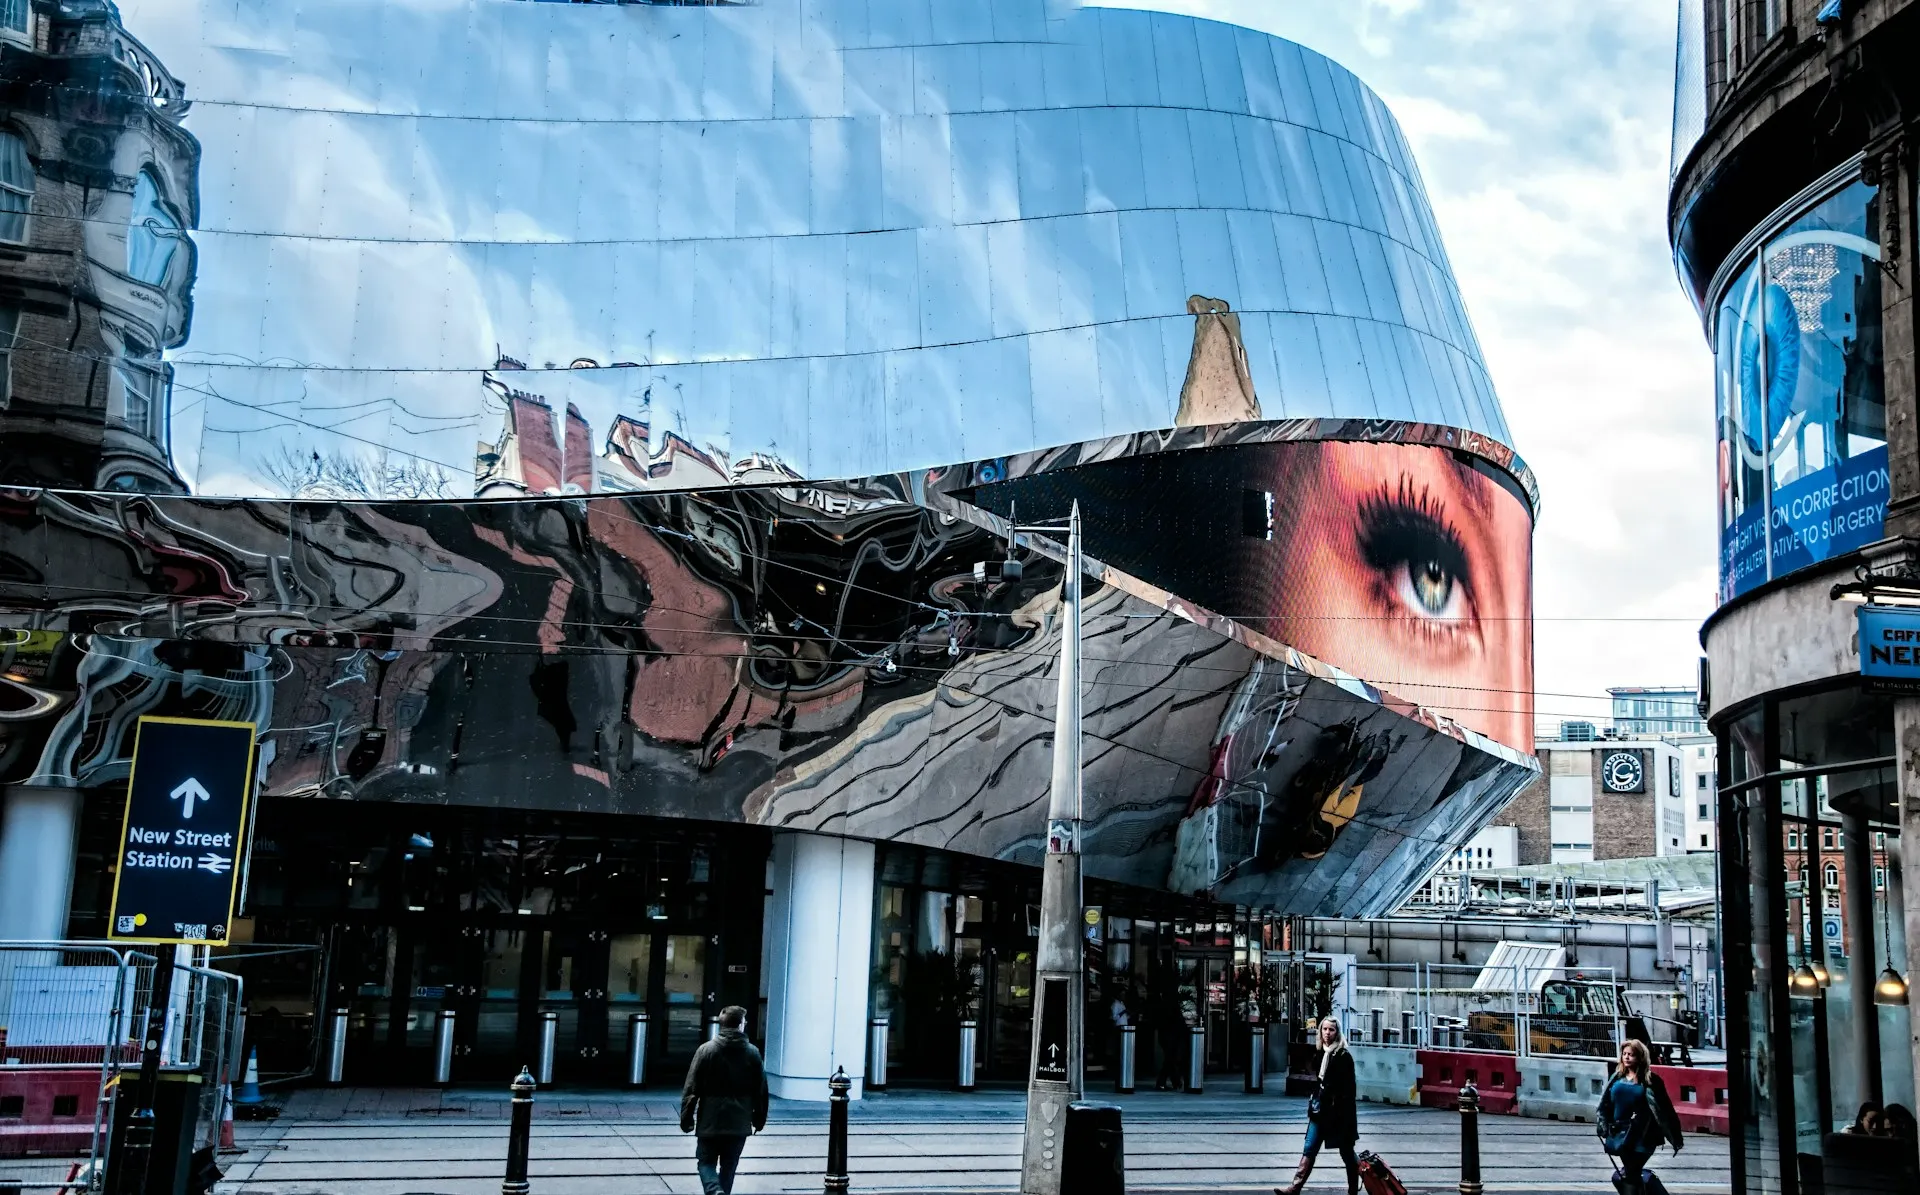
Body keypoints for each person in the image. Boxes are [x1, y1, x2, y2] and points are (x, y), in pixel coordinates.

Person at [679, 1006, 769, 1195]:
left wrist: (687, 1118)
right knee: (729, 1166)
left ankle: (713, 1191)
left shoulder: (705, 1050)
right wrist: (759, 1119)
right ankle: (721, 1192)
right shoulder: (752, 1053)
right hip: (739, 1121)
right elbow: (761, 1091)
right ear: (741, 1024)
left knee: (705, 1162)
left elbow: (691, 1088)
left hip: (710, 1119)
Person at [1276, 1017, 1358, 1195]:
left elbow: (1349, 1091)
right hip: (1319, 1111)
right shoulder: (1321, 1053)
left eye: (1332, 1030)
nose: (1327, 1033)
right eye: (1325, 1029)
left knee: (1347, 1153)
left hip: (1338, 1114)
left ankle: (1354, 1189)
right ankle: (1294, 1188)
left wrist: (1342, 1113)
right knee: (1309, 1148)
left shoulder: (1343, 1056)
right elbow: (1319, 1082)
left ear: (1338, 1033)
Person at [1596, 1039, 1684, 1195]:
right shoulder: (1617, 1077)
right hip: (1621, 1135)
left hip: (1644, 1134)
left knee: (1631, 1172)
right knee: (1632, 1175)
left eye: (1631, 1055)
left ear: (1640, 1057)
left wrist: (1676, 1136)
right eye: (1624, 1054)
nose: (1627, 1057)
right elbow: (1605, 1104)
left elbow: (1666, 1109)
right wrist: (1603, 1126)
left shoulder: (1651, 1081)